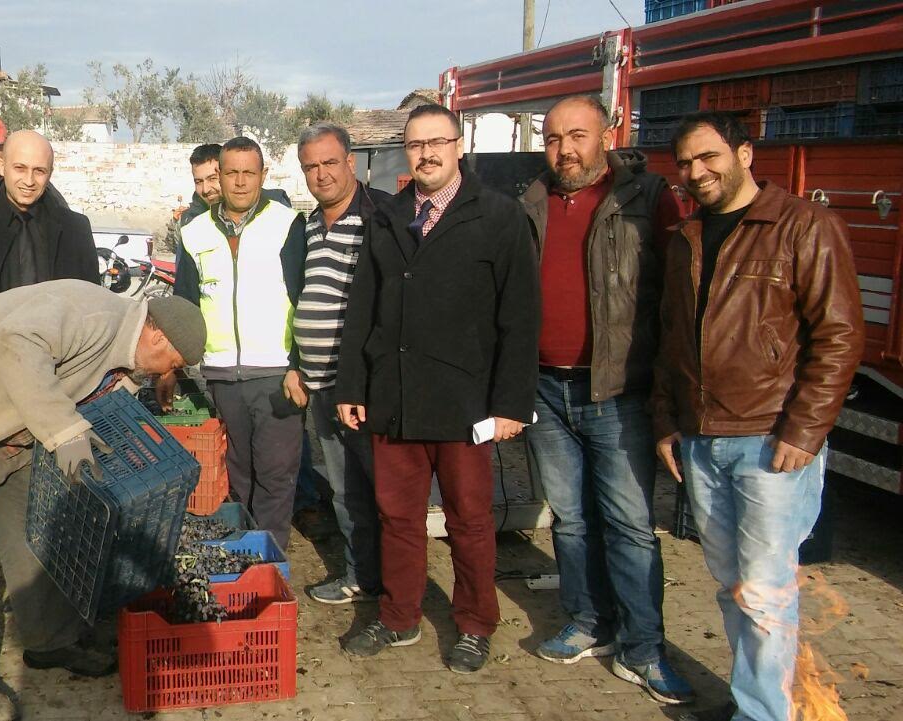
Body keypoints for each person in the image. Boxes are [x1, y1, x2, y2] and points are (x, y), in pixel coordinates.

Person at [0, 280, 206, 721]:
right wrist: (65, 431)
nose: (162, 373)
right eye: (169, 362)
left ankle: (49, 641)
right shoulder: (92, 313)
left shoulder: (124, 344)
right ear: (156, 335)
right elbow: (16, 340)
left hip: (13, 439)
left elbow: (91, 383)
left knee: (35, 539)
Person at [651, 112, 863, 721]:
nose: (697, 173)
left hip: (770, 440)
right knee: (731, 584)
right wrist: (667, 419)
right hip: (701, 439)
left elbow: (841, 335)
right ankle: (754, 701)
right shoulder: (687, 237)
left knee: (766, 592)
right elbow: (672, 339)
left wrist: (804, 429)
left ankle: (765, 713)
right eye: (686, 163)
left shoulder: (804, 225)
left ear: (744, 153)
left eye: (709, 157)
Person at [335, 104, 539, 674]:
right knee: (397, 517)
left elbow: (520, 317)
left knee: (469, 521)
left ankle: (475, 623)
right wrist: (354, 385)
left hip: (464, 401)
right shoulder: (388, 216)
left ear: (458, 145)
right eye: (415, 144)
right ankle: (399, 616)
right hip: (394, 396)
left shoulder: (498, 216)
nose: (425, 154)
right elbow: (363, 309)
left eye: (436, 142)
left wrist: (510, 404)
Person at [519, 95, 693, 704]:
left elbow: (678, 296)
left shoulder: (646, 199)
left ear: (606, 134)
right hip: (545, 386)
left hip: (616, 390)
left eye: (578, 135)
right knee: (569, 521)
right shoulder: (531, 201)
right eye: (552, 138)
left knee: (630, 526)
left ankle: (644, 649)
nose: (565, 149)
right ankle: (588, 622)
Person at [172, 137, 307, 548]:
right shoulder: (194, 232)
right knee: (238, 472)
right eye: (232, 172)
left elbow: (304, 298)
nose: (241, 181)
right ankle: (245, 551)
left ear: (263, 176)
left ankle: (269, 559)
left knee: (276, 474)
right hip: (221, 375)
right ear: (220, 175)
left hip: (276, 375)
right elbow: (184, 306)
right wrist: (175, 368)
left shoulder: (287, 224)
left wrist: (299, 365)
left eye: (250, 172)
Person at [291, 122, 390, 604]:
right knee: (346, 491)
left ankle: (394, 584)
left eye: (330, 162)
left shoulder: (381, 218)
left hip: (366, 387)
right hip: (321, 385)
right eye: (311, 166)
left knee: (381, 489)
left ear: (352, 162)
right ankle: (361, 575)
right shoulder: (308, 225)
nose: (321, 174)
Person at [0, 129, 97, 309]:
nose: (29, 181)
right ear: (1, 166)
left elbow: (91, 303)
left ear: (50, 173)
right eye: (20, 168)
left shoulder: (75, 229)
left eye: (39, 171)